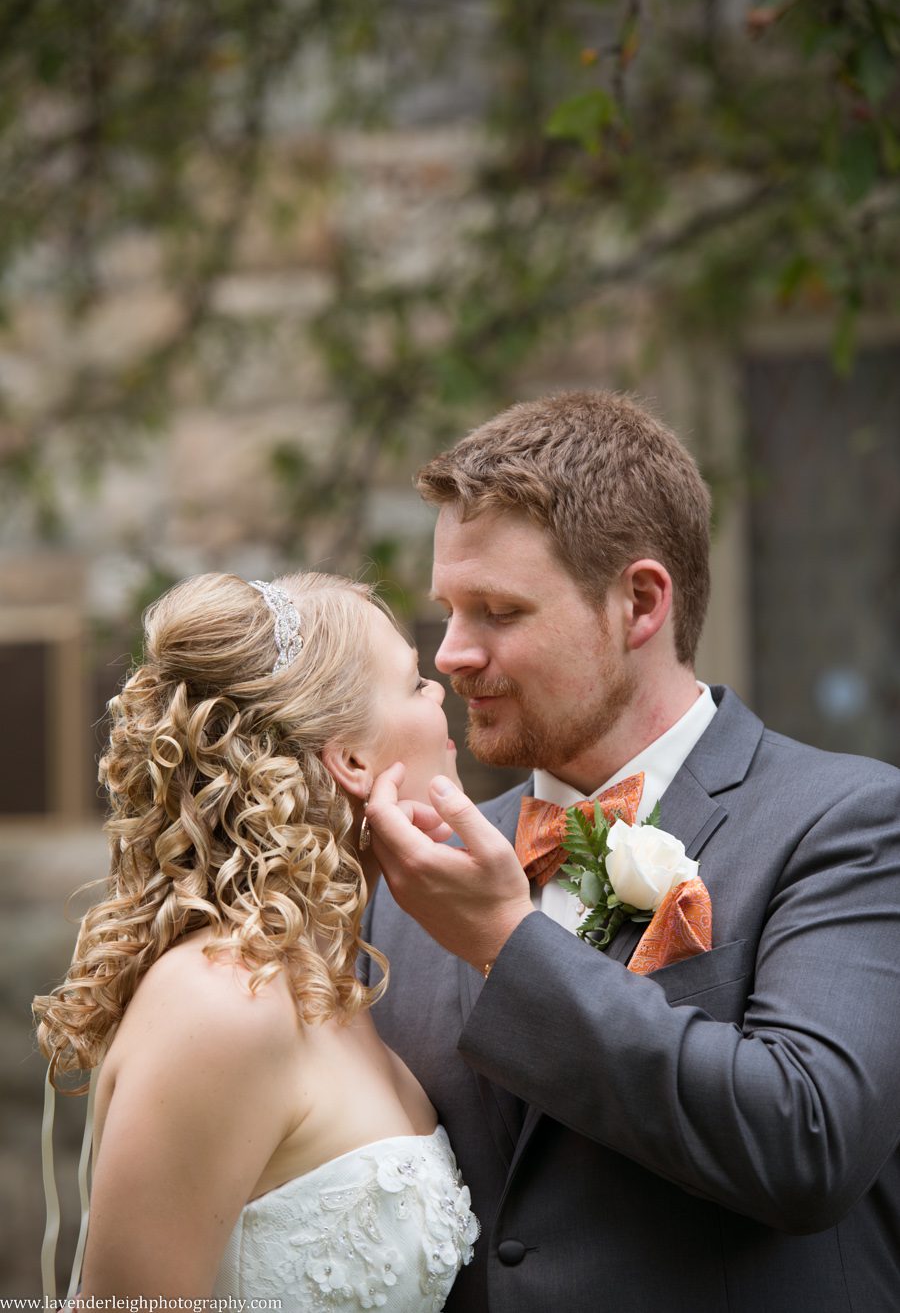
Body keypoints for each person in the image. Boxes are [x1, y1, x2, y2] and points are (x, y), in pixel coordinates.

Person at [361, 389, 900, 1313]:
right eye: (448, 609)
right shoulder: (416, 869)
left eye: (497, 610)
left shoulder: (851, 823)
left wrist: (505, 940)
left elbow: (808, 1142)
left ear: (640, 602)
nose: (450, 652)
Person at [34, 571, 478, 1307]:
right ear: (353, 761)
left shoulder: (335, 984)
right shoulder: (221, 1003)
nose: (441, 695)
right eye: (414, 682)